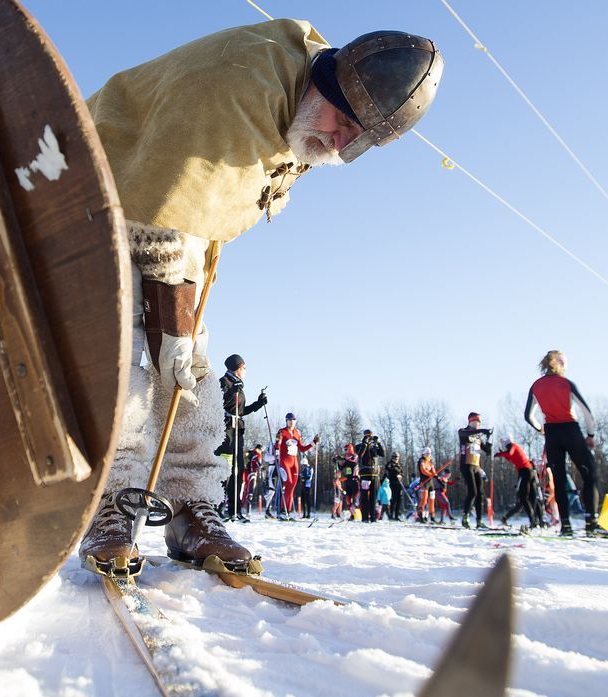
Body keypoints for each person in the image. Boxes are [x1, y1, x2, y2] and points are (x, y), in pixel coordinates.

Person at [78, 20, 444, 574]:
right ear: (326, 83)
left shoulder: (304, 105)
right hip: (104, 192)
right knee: (128, 348)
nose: (341, 142)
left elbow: (207, 212)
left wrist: (179, 326)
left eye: (359, 138)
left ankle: (187, 503)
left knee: (188, 361)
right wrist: (170, 323)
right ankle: (113, 500)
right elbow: (162, 211)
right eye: (343, 121)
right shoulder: (234, 90)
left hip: (180, 223)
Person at [524, 350, 607, 537]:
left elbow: (528, 416)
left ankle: (566, 525)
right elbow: (587, 412)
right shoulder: (566, 383)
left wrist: (540, 429)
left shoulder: (536, 385)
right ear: (560, 363)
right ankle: (591, 522)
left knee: (559, 480)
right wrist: (591, 434)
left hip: (551, 433)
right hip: (570, 430)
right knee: (590, 474)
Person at [217, 354, 268, 521]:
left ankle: (235, 510)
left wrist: (258, 404)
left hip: (238, 431)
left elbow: (241, 411)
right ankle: (218, 508)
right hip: (226, 432)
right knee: (225, 471)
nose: (245, 371)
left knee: (238, 470)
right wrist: (233, 390)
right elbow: (221, 403)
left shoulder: (239, 385)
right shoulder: (224, 382)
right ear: (237, 368)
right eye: (244, 368)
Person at [274, 413, 319, 520]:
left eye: (293, 420)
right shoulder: (282, 431)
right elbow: (277, 446)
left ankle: (287, 511)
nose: (291, 422)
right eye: (289, 420)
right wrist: (277, 440)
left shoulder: (297, 433)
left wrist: (313, 443)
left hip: (294, 462)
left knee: (292, 487)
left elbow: (302, 449)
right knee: (288, 483)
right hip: (285, 461)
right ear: (286, 421)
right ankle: (282, 510)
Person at [495, 436, 540, 529]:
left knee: (523, 497)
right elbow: (510, 457)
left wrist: (500, 454)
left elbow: (509, 453)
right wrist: (502, 454)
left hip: (525, 472)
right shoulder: (514, 448)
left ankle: (533, 520)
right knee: (529, 498)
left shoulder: (513, 446)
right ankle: (537, 520)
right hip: (528, 471)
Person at [458, 412, 493, 528]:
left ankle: (479, 520)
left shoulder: (478, 437)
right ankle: (465, 517)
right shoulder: (463, 431)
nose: (478, 424)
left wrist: (488, 440)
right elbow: (468, 434)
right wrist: (482, 431)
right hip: (466, 464)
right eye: (477, 422)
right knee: (472, 491)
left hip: (476, 466)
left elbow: (487, 451)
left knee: (480, 494)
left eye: (480, 422)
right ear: (471, 421)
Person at [356, 430, 385, 523]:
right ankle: (364, 517)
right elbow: (360, 455)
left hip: (374, 474)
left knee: (373, 497)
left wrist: (378, 443)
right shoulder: (359, 446)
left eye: (370, 436)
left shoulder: (374, 447)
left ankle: (373, 517)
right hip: (365, 474)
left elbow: (382, 454)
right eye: (367, 436)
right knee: (364, 496)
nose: (369, 437)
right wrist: (365, 443)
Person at [333, 444, 361, 520]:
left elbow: (353, 462)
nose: (345, 451)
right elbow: (342, 467)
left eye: (346, 449)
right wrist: (338, 461)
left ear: (350, 449)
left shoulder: (354, 456)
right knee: (348, 499)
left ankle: (358, 513)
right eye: (345, 450)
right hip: (348, 480)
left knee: (355, 498)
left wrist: (343, 459)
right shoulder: (346, 458)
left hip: (355, 479)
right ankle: (351, 515)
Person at [415, 448, 437, 523]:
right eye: (427, 454)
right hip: (424, 482)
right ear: (424, 454)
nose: (428, 456)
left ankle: (432, 517)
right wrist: (431, 474)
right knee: (424, 500)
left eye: (429, 454)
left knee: (432, 500)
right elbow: (423, 470)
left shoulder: (430, 461)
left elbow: (433, 470)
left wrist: (435, 475)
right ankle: (420, 515)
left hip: (431, 483)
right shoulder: (421, 461)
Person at [383, 451, 406, 521]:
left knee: (399, 500)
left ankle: (396, 515)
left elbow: (402, 473)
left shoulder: (399, 465)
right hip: (392, 483)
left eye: (397, 458)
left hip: (399, 484)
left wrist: (400, 475)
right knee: (394, 500)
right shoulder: (390, 464)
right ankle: (391, 515)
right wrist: (396, 473)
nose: (396, 459)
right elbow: (389, 469)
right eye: (395, 458)